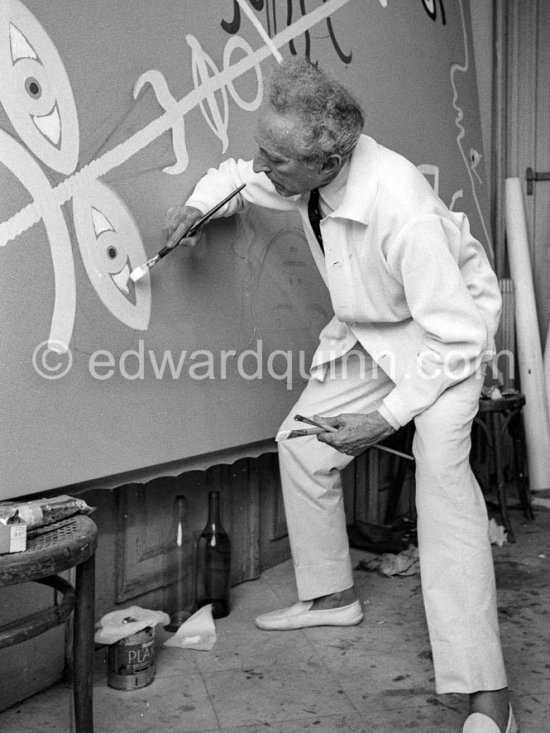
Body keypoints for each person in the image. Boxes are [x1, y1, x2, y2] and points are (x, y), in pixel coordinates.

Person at [164, 58, 517, 733]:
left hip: (447, 336)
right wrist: (193, 209)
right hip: (375, 328)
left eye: (276, 158)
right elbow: (240, 178)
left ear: (327, 162)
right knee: (301, 440)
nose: (262, 165)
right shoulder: (300, 172)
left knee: (442, 481)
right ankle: (330, 595)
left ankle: (490, 696)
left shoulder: (401, 205)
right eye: (263, 148)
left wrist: (380, 419)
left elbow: (457, 333)